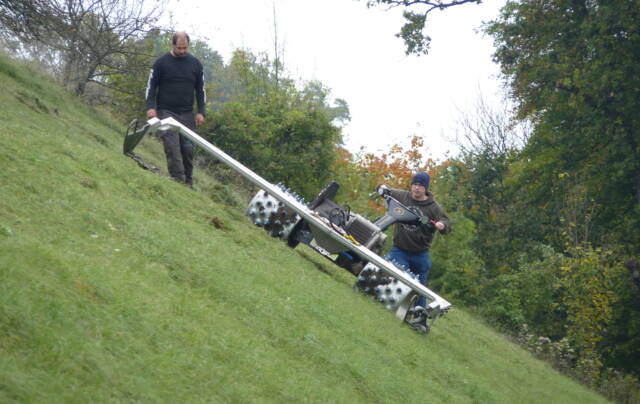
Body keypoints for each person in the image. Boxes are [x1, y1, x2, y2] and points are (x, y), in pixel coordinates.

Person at [377, 171, 451, 309]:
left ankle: (419, 316)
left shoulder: (434, 207)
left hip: (420, 254)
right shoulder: (402, 196)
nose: (417, 188)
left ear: (426, 188)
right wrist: (382, 187)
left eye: (420, 185)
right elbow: (383, 190)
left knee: (419, 290)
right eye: (415, 184)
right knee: (393, 274)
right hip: (399, 250)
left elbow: (446, 222)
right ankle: (383, 301)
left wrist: (442, 225)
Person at [145, 31, 206, 186]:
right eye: (179, 48)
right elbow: (151, 87)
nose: (182, 51)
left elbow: (200, 90)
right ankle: (178, 181)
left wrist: (201, 112)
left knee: (188, 150)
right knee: (172, 148)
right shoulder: (161, 63)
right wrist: (150, 108)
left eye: (185, 48)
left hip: (187, 114)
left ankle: (188, 182)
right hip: (166, 112)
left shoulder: (196, 64)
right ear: (172, 45)